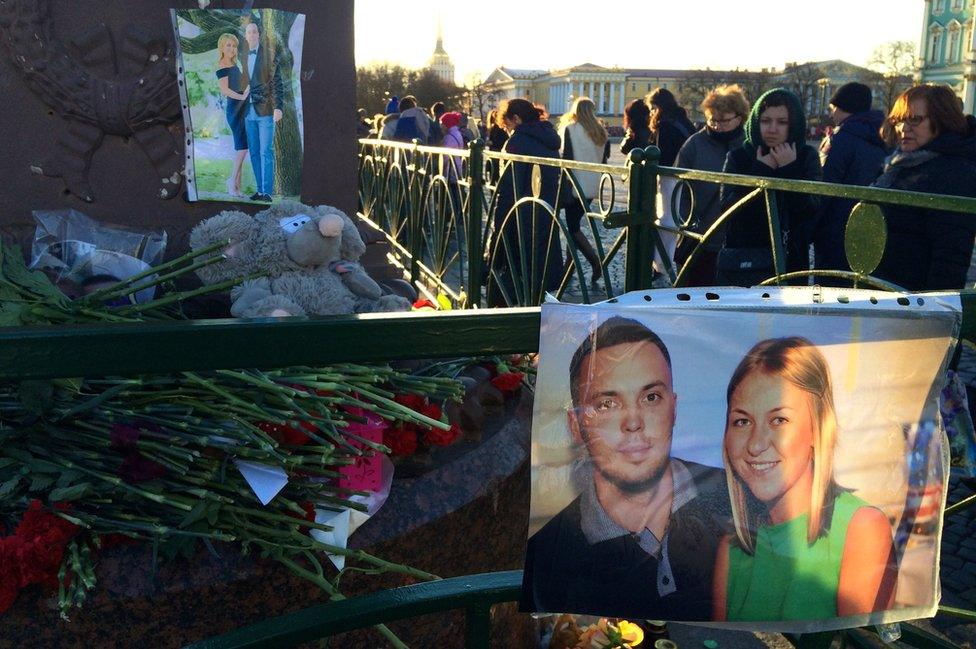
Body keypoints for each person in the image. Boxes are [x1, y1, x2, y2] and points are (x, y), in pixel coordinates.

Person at [521, 316, 729, 620]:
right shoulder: (548, 555)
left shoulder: (740, 502)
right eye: (607, 404)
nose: (633, 422)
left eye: (651, 397)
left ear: (674, 409)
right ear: (576, 426)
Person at [713, 337, 897, 621]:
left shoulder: (861, 529)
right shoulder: (733, 545)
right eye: (742, 421)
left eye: (779, 420)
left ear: (818, 429)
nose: (755, 444)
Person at [871, 84, 976, 291]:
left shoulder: (954, 171)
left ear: (942, 120)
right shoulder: (900, 163)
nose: (903, 128)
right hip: (882, 290)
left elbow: (950, 255)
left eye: (915, 119)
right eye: (899, 120)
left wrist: (934, 309)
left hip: (912, 299)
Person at [718, 88, 822, 286]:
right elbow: (727, 209)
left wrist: (789, 169)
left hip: (790, 260)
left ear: (794, 125)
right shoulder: (739, 156)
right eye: (766, 121)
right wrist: (761, 170)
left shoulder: (806, 156)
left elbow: (810, 210)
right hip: (745, 259)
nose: (772, 129)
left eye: (782, 122)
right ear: (756, 121)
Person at [487, 98, 563, 306]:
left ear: (517, 119)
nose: (507, 130)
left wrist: (497, 231)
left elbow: (508, 190)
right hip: (545, 212)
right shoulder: (549, 139)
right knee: (541, 272)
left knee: (519, 275)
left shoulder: (517, 142)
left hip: (521, 218)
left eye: (507, 125)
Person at [673, 85, 749, 286]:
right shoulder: (694, 144)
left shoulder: (750, 145)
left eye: (724, 120)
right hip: (700, 237)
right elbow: (677, 187)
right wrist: (684, 221)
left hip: (738, 240)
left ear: (739, 118)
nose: (717, 126)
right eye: (712, 119)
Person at [813, 82, 887, 279]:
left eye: (833, 108)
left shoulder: (841, 138)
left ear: (841, 107)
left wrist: (809, 228)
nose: (831, 114)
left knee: (829, 290)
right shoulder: (882, 136)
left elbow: (826, 186)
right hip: (869, 227)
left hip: (834, 230)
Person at [559, 97, 610, 286]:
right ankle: (568, 266)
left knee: (572, 228)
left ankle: (594, 260)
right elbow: (604, 161)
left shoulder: (571, 129)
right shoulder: (600, 132)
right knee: (574, 224)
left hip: (575, 185)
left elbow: (568, 159)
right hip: (592, 185)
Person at [241, 18, 285, 203]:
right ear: (246, 36)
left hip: (266, 110)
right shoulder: (241, 55)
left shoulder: (269, 55)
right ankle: (259, 190)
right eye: (248, 31)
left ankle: (267, 191)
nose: (251, 34)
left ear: (258, 34)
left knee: (266, 151)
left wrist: (278, 107)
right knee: (254, 151)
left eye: (254, 31)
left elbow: (277, 83)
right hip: (247, 111)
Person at [214, 33, 250, 198]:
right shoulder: (222, 65)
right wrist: (242, 96)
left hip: (244, 107)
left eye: (234, 45)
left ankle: (237, 187)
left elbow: (240, 84)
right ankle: (230, 182)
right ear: (222, 47)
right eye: (228, 45)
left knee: (241, 148)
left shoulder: (234, 64)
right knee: (242, 148)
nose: (232, 48)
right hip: (235, 110)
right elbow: (225, 90)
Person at [647, 88, 695, 166]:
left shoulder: (664, 126)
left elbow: (662, 158)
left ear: (659, 108)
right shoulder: (684, 121)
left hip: (672, 173)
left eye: (652, 109)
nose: (651, 114)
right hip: (689, 170)